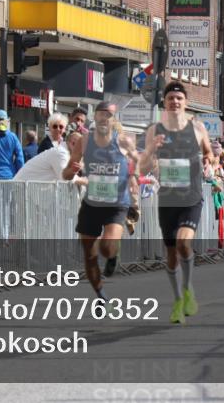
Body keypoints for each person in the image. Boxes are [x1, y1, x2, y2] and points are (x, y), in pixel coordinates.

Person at [138, 82, 215, 324]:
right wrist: (152, 149)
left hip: (191, 196)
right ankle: (178, 298)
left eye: (179, 98)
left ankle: (189, 286)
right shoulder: (155, 129)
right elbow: (143, 165)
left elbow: (209, 152)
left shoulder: (197, 127)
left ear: (186, 102)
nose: (175, 102)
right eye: (170, 98)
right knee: (171, 255)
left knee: (184, 241)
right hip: (168, 199)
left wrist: (209, 163)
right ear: (165, 102)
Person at [66, 102, 139, 300]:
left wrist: (134, 177)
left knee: (106, 247)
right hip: (91, 204)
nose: (104, 118)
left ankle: (114, 254)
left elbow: (139, 162)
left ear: (113, 119)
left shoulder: (123, 140)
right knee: (89, 257)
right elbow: (65, 173)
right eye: (101, 114)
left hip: (116, 204)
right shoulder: (84, 141)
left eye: (109, 115)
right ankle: (101, 295)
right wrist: (71, 171)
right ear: (95, 117)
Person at [14, 129, 84, 182]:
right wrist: (86, 182)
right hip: (21, 190)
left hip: (25, 189)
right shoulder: (61, 153)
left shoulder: (62, 152)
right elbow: (65, 179)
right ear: (73, 143)